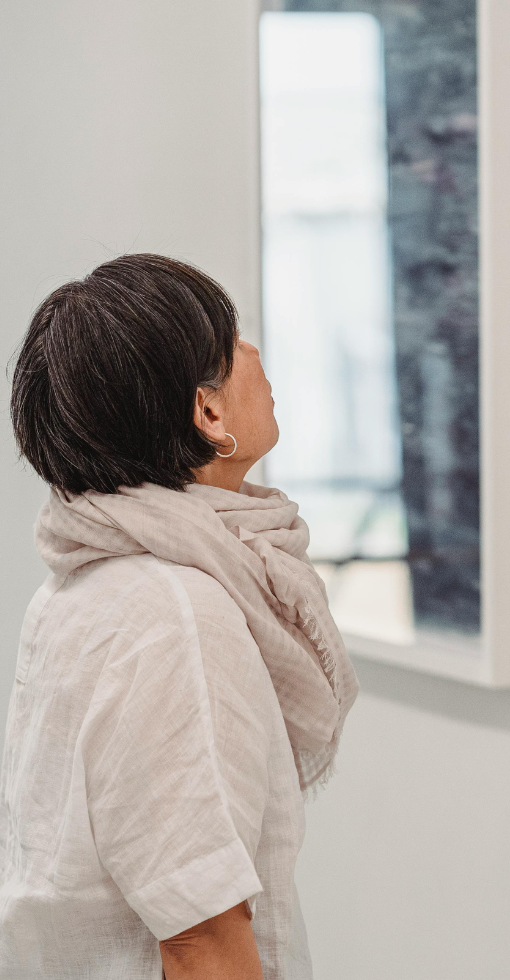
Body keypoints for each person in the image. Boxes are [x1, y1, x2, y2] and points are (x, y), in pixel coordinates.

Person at [0, 253, 358, 979]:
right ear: (209, 414)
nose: (252, 352)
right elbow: (199, 939)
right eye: (231, 341)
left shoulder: (91, 578)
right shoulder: (178, 613)